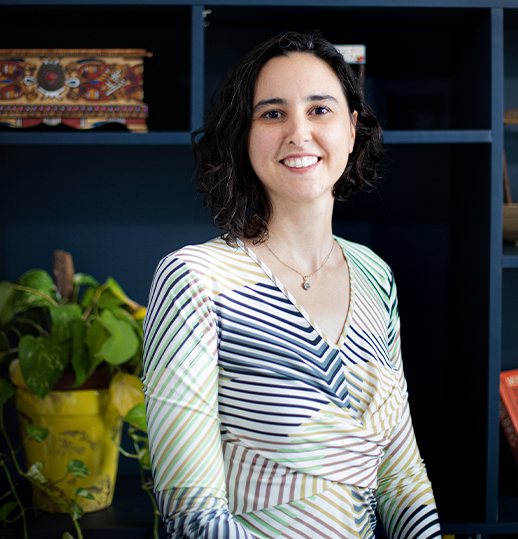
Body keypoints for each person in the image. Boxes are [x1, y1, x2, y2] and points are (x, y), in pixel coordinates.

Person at [142, 31, 441, 539]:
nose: (298, 133)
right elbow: (193, 516)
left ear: (351, 129)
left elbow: (401, 473)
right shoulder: (195, 278)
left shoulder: (374, 274)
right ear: (244, 135)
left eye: (319, 110)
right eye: (272, 113)